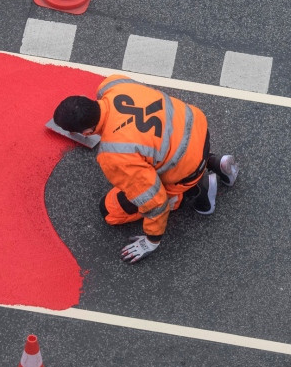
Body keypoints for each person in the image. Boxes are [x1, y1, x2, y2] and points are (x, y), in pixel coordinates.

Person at [52, 74, 239, 263]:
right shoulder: (113, 83)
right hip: (196, 127)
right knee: (158, 150)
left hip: (187, 168)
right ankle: (213, 161)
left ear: (87, 133)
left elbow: (154, 201)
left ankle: (197, 190)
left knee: (109, 211)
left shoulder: (114, 156)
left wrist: (151, 240)